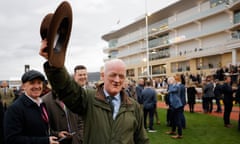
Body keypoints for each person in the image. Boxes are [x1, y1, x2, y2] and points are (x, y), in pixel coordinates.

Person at [39, 40, 149, 144]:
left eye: (121, 76)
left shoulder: (133, 106)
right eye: (113, 75)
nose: (117, 80)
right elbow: (67, 89)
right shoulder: (89, 98)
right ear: (103, 76)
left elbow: (141, 139)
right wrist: (54, 61)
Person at [4, 70, 59, 144]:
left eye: (39, 83)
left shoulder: (41, 104)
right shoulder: (15, 109)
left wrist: (57, 135)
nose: (36, 86)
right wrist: (45, 141)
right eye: (32, 83)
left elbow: (40, 130)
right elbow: (12, 139)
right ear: (23, 86)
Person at [42, 65, 88, 144]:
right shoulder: (44, 101)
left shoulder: (73, 96)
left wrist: (80, 137)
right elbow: (44, 126)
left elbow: (81, 120)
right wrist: (57, 134)